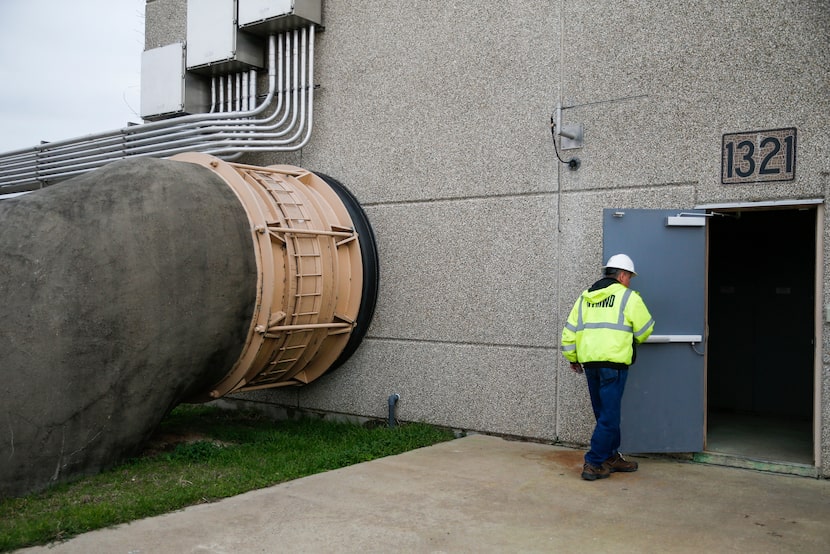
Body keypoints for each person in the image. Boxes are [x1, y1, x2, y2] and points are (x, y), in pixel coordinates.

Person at [561, 254, 655, 481]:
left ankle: (611, 457)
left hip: (590, 364)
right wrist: (629, 341)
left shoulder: (585, 297)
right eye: (629, 277)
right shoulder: (627, 297)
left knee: (604, 415)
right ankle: (593, 463)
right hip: (613, 365)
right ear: (622, 275)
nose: (629, 281)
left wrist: (572, 357)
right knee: (609, 417)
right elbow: (645, 330)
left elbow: (569, 331)